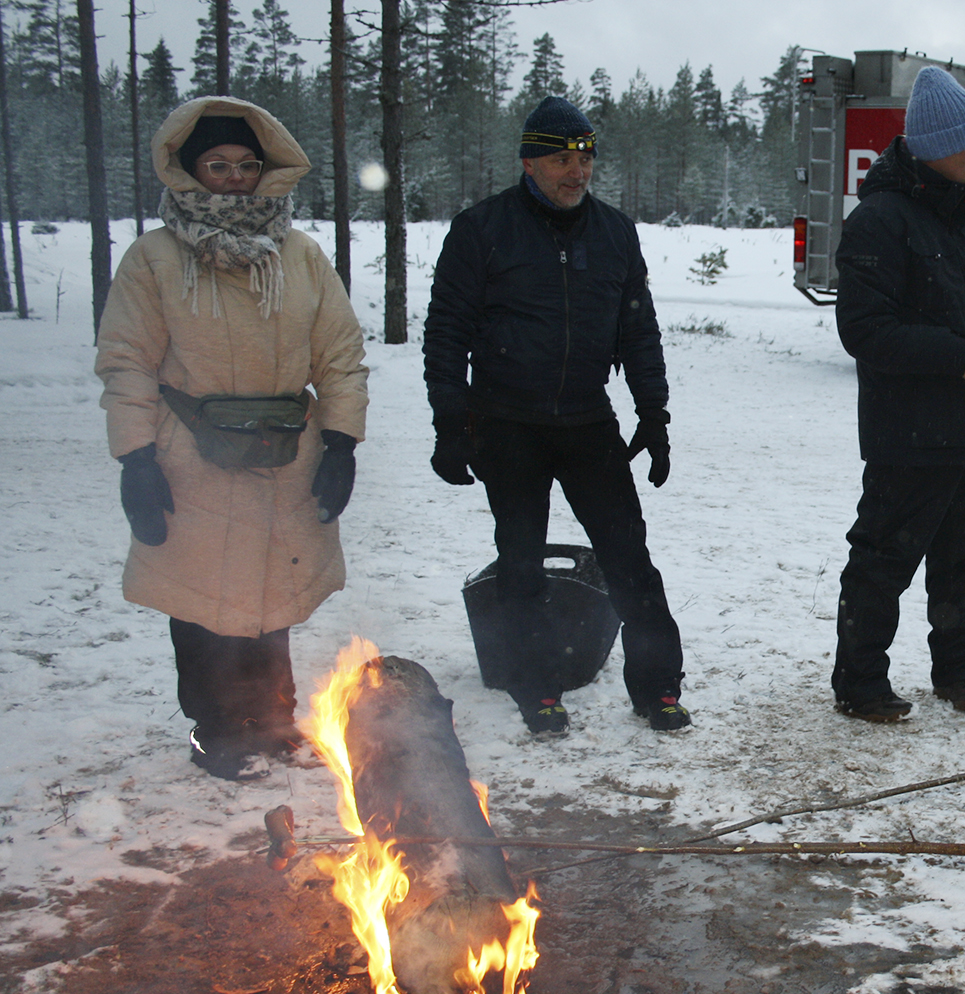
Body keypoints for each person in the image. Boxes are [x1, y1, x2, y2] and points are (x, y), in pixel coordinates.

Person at [95, 98, 369, 782]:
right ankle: (214, 728)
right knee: (202, 598)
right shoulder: (153, 260)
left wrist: (341, 442)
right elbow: (127, 361)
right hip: (191, 454)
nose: (235, 178)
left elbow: (339, 355)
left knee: (272, 593)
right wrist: (135, 458)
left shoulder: (301, 256)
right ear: (188, 171)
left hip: (285, 451)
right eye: (218, 165)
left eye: (247, 165)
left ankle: (273, 719)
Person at [423, 96, 690, 735]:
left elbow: (638, 332)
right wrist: (450, 424)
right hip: (506, 422)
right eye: (561, 158)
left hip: (586, 422)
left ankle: (657, 688)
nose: (577, 171)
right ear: (530, 161)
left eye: (585, 156)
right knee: (520, 562)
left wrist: (653, 414)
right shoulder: (482, 229)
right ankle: (535, 685)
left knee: (630, 559)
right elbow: (446, 332)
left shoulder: (614, 232)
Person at [830, 67, 965, 722]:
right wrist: (952, 358)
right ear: (938, 146)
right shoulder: (880, 222)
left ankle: (961, 673)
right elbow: (864, 330)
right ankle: (859, 683)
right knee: (883, 564)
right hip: (908, 436)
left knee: (964, 564)